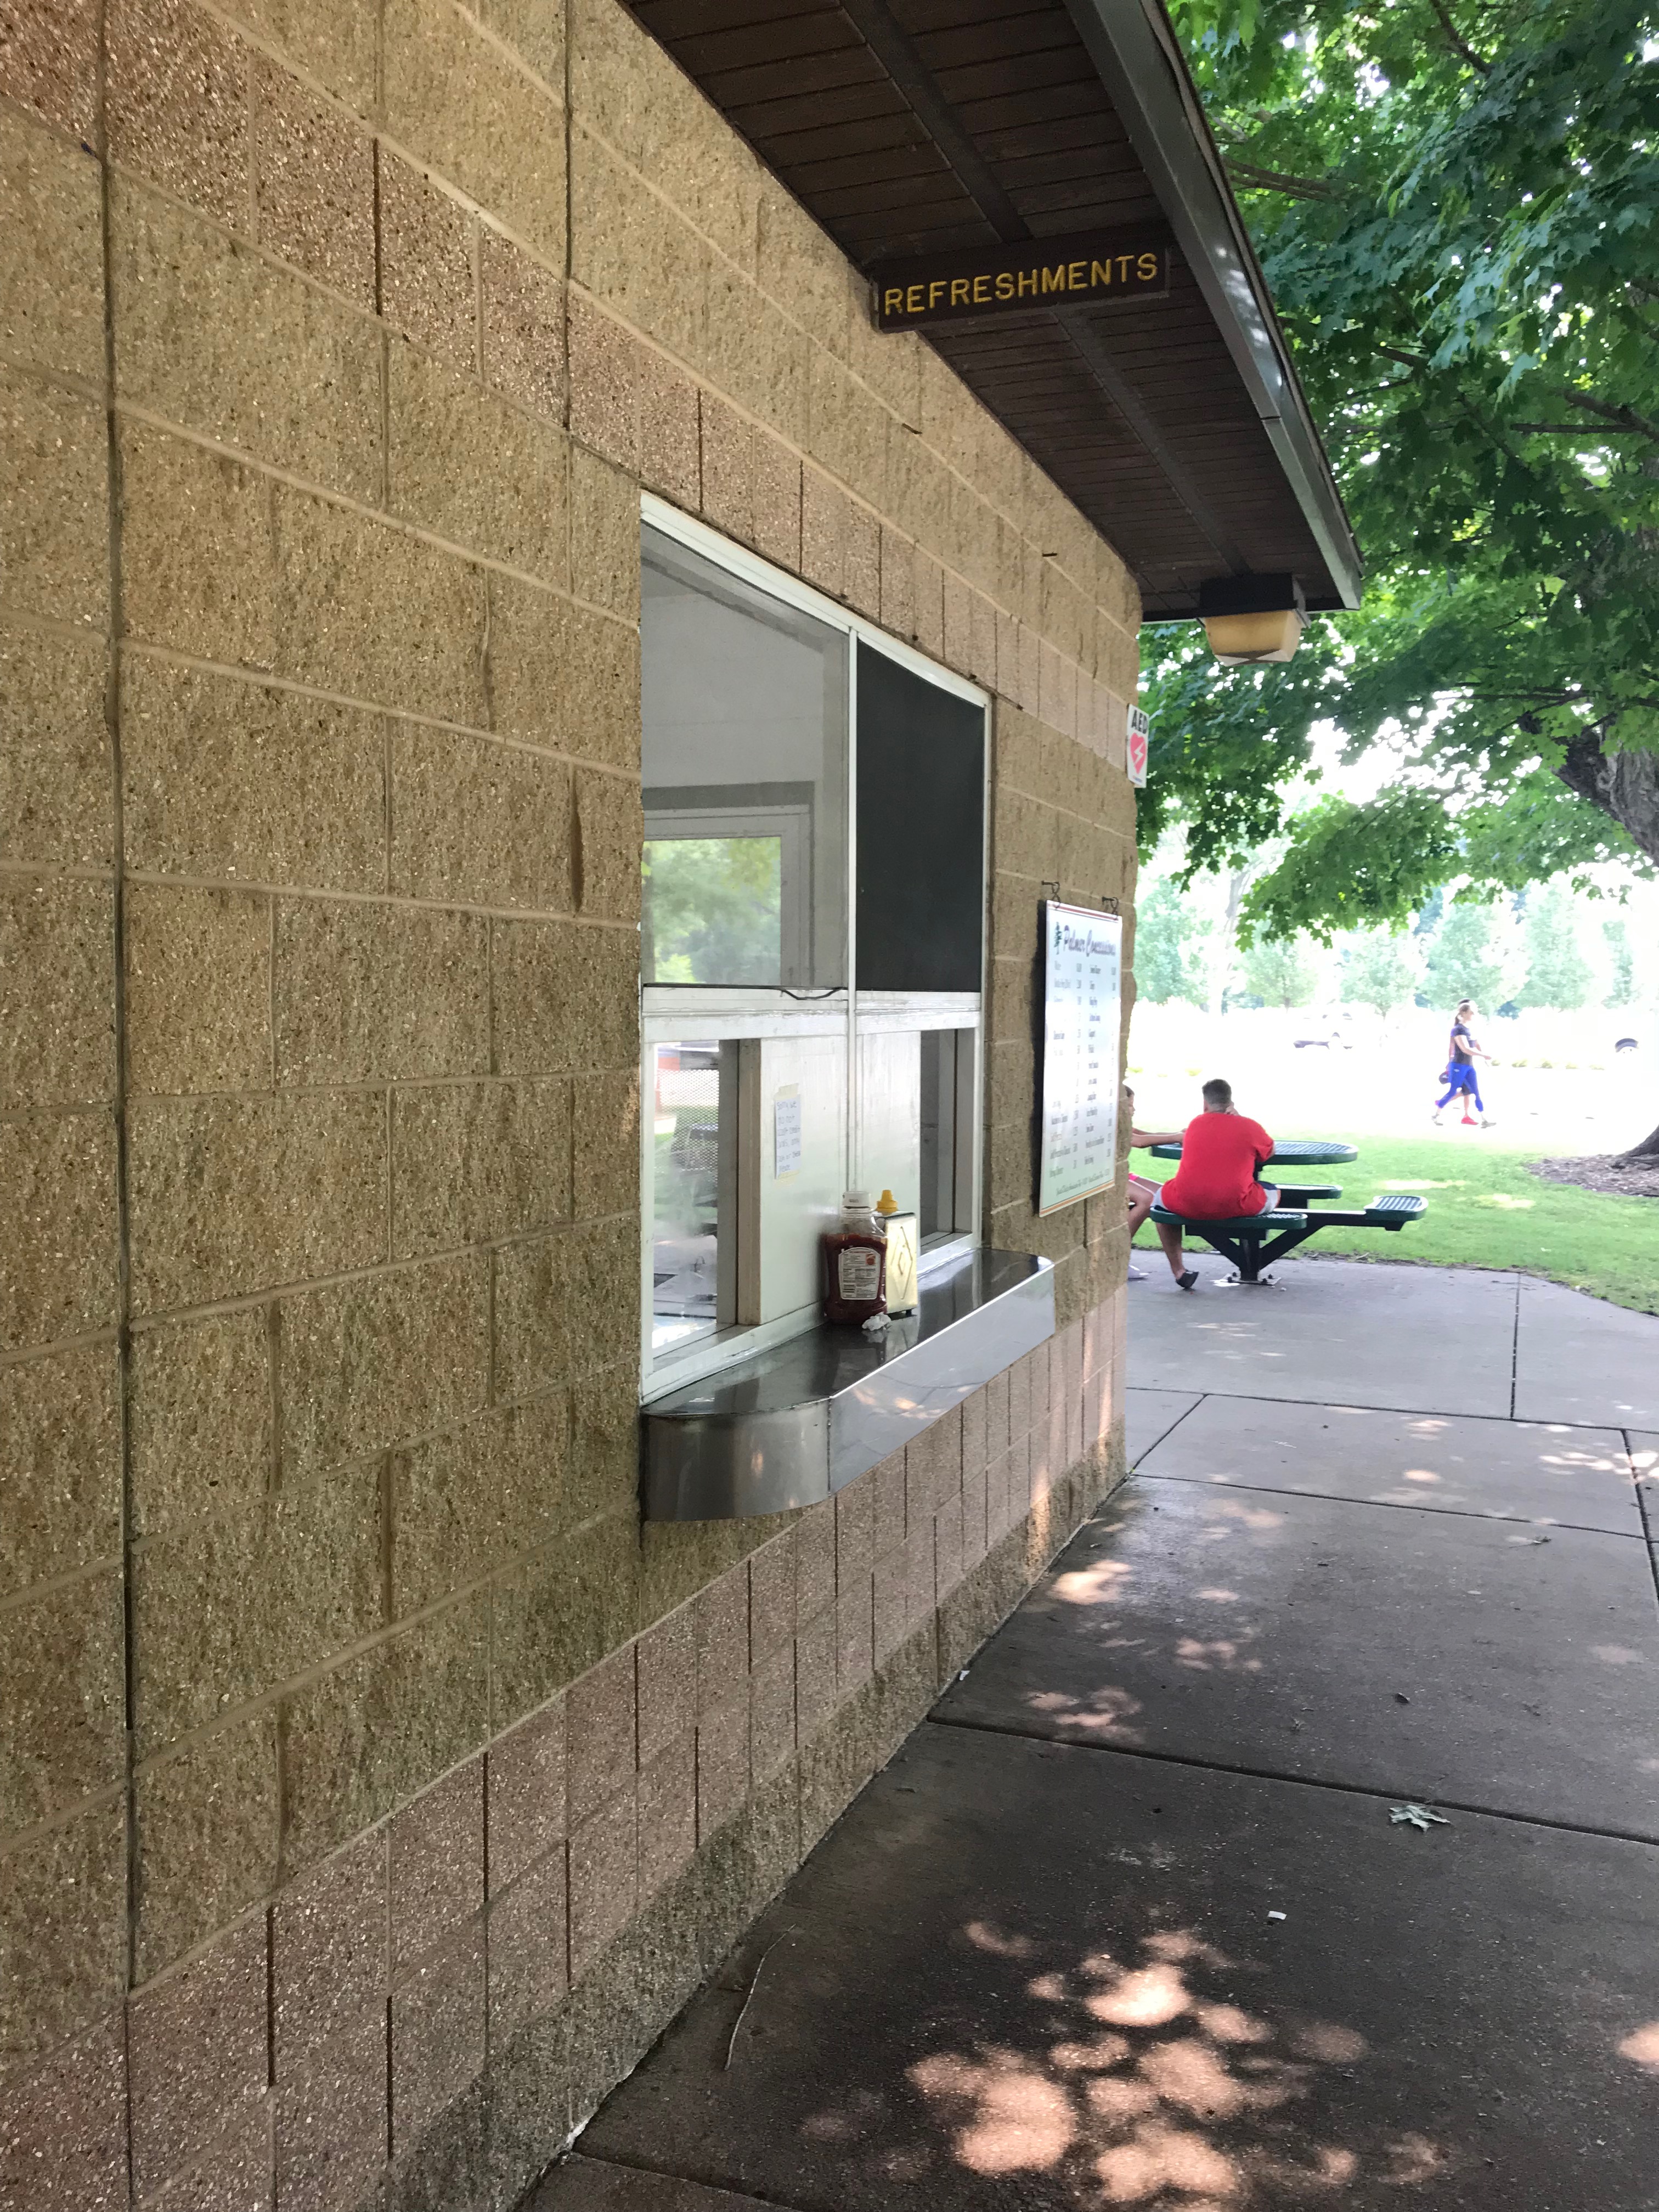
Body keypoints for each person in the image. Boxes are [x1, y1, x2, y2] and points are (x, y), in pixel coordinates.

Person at [1154, 1078, 1278, 1291]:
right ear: (1230, 1103)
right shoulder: (1250, 1126)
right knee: (1273, 1190)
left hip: (1186, 1202)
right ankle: (1252, 1259)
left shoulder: (1195, 1125)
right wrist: (1238, 1119)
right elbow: (1269, 1152)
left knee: (1157, 1202)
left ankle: (1179, 1271)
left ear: (1205, 1104)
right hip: (1237, 1204)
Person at [1122, 1087, 1183, 1280]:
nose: (1134, 1110)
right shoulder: (1110, 1124)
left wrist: (1177, 1134)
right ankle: (1118, 1256)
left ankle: (1179, 1269)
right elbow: (1139, 1141)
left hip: (1125, 1175)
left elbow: (1147, 1135)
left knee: (1164, 1196)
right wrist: (1176, 1137)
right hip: (1107, 1178)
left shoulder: (1123, 1124)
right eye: (1130, 1106)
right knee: (1147, 1199)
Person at [1433, 1001, 1495, 1127]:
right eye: (1471, 1012)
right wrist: (1483, 1055)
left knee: (1476, 1092)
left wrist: (1483, 1056)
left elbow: (1475, 1044)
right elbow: (1465, 1049)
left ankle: (1484, 1119)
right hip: (1459, 1065)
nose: (1473, 1014)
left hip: (1468, 1066)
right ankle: (1437, 1115)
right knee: (1452, 1091)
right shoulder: (1458, 1030)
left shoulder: (1469, 1030)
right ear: (1464, 1013)